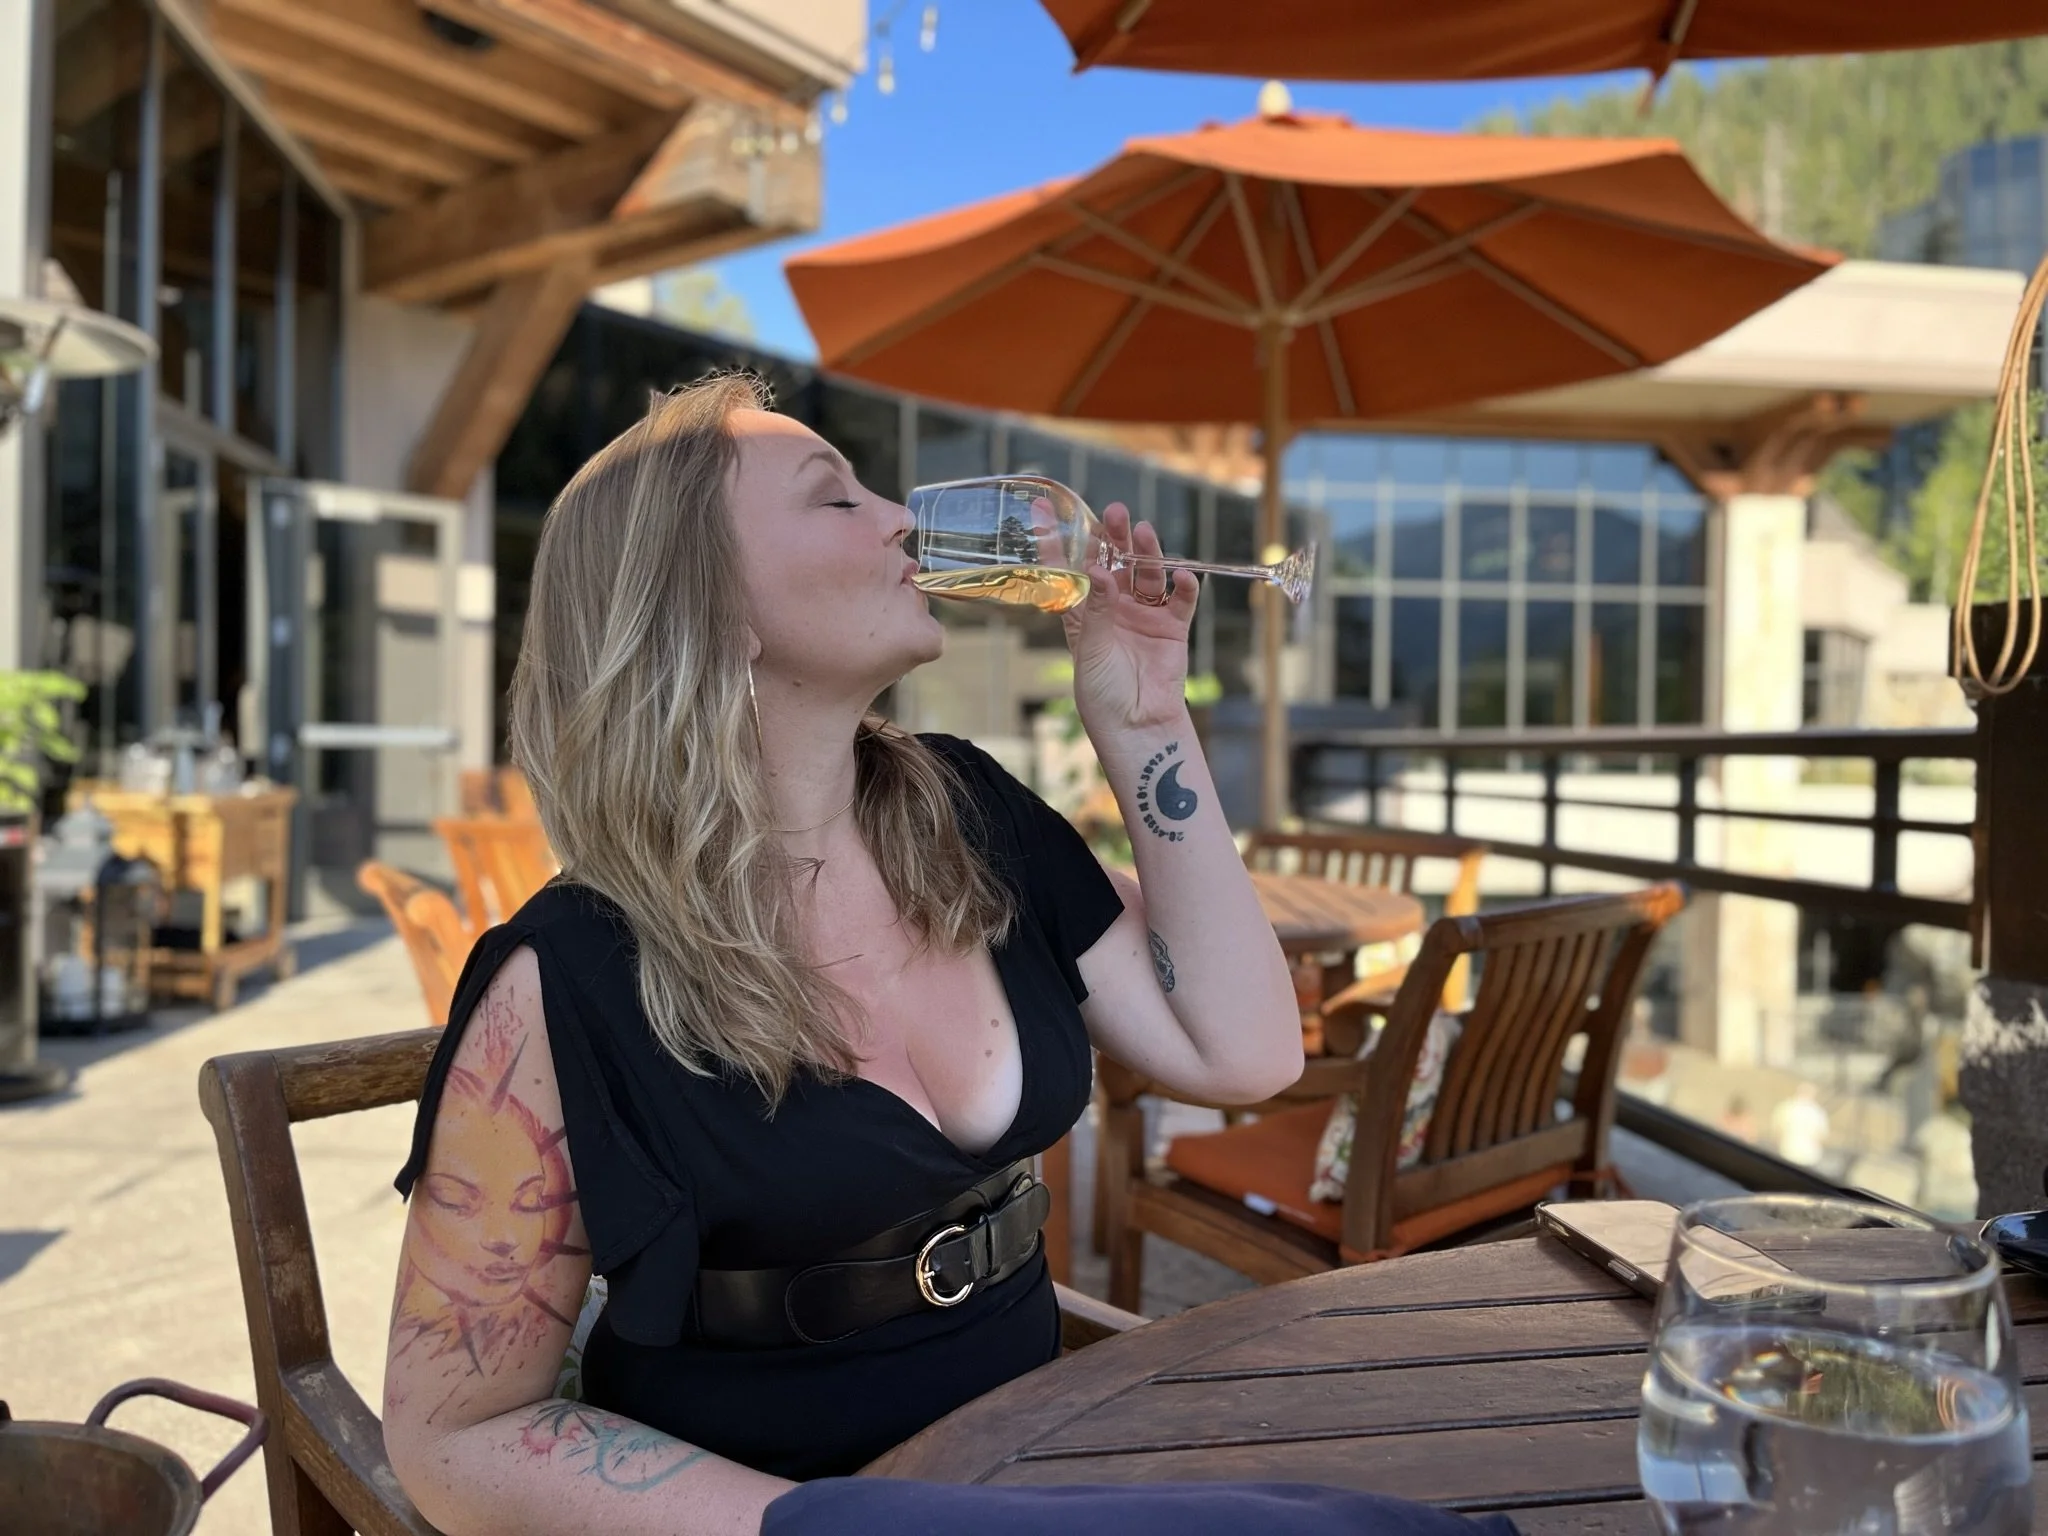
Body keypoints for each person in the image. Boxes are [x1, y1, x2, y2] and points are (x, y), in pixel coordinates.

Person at [383, 374, 1304, 1535]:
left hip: (1040, 1452)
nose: (902, 521)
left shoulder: (971, 818)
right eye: (836, 500)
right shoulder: (570, 975)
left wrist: (1145, 722)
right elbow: (451, 1433)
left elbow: (1244, 1054)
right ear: (708, 607)